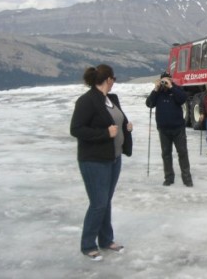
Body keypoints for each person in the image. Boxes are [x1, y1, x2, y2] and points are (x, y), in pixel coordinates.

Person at [70, 64, 133, 261]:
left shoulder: (111, 99)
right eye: (113, 79)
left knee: (106, 202)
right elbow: (77, 129)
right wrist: (104, 133)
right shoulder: (87, 101)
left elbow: (118, 120)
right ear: (108, 80)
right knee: (98, 203)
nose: (114, 82)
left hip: (114, 158)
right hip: (94, 160)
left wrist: (126, 126)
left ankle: (106, 240)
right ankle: (88, 245)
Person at [146, 72, 193, 187]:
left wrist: (171, 87)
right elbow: (149, 103)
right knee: (166, 154)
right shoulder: (158, 93)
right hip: (163, 129)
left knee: (182, 153)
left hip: (178, 128)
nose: (164, 83)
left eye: (167, 80)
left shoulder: (176, 89)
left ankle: (187, 179)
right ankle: (168, 178)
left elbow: (182, 99)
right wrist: (156, 89)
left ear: (171, 80)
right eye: (163, 81)